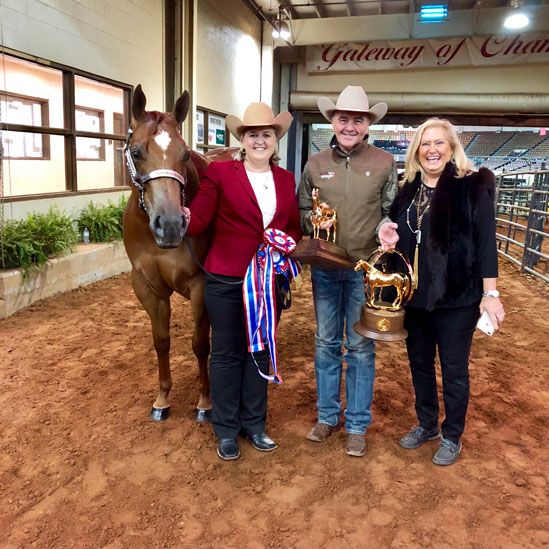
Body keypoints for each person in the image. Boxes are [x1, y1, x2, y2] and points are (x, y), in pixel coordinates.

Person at [378, 117, 505, 466]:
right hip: (415, 297)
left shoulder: (472, 187)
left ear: (451, 148)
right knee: (419, 363)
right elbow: (401, 238)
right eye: (425, 143)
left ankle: (452, 435)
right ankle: (427, 424)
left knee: (453, 369)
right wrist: (389, 240)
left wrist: (490, 294)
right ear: (416, 150)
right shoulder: (407, 191)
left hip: (457, 298)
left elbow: (485, 245)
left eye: (439, 143)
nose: (431, 150)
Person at [182, 102, 301, 461]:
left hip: (268, 281)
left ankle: (255, 424)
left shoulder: (286, 179)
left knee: (260, 351)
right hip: (227, 277)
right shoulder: (220, 173)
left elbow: (291, 227)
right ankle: (226, 429)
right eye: (253, 135)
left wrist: (286, 248)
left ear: (275, 140)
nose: (260, 140)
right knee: (227, 353)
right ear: (243, 140)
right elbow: (200, 217)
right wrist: (180, 215)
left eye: (266, 134)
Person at [298, 85, 397, 457]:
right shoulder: (315, 164)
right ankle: (327, 416)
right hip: (325, 267)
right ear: (333, 122)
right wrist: (314, 221)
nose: (350, 125)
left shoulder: (385, 163)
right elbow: (303, 208)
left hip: (363, 269)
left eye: (358, 119)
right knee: (325, 342)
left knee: (359, 346)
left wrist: (388, 227)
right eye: (344, 118)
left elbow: (390, 209)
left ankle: (356, 423)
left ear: (367, 124)